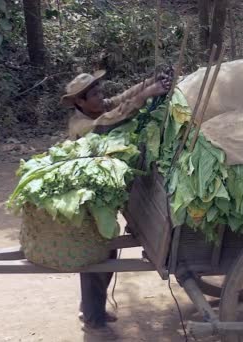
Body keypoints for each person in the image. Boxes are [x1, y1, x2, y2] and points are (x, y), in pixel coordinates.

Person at [60, 70, 172, 339]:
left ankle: (92, 309)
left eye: (100, 91)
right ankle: (93, 321)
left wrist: (149, 81)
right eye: (95, 94)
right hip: (89, 196)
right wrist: (148, 94)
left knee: (106, 253)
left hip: (102, 194)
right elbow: (116, 114)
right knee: (96, 255)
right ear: (80, 103)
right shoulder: (83, 125)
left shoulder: (94, 109)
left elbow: (120, 99)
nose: (101, 97)